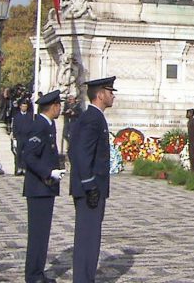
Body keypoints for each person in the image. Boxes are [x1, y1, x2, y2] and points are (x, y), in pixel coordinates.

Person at [69, 76, 116, 283]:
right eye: (110, 91)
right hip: (90, 189)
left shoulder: (93, 117)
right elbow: (80, 153)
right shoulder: (92, 118)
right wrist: (89, 185)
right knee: (88, 238)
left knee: (89, 238)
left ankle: (85, 278)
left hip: (91, 187)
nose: (113, 95)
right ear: (100, 94)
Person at [21, 90, 65, 283]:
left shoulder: (49, 124)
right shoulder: (39, 125)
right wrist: (49, 172)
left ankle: (37, 272)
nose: (60, 108)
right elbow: (29, 156)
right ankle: (33, 275)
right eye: (59, 105)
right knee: (37, 234)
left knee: (43, 234)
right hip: (38, 188)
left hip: (45, 188)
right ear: (53, 106)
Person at [12, 99, 35, 176]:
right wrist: (14, 136)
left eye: (25, 106)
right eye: (23, 106)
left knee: (26, 153)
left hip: (27, 137)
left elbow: (32, 126)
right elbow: (14, 126)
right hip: (19, 137)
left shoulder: (29, 116)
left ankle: (25, 168)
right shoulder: (17, 116)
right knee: (18, 154)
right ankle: (18, 168)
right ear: (20, 107)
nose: (24, 108)